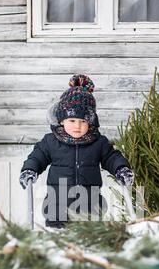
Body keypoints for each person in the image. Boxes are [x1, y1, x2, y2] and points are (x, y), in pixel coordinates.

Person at [19, 74, 134, 228]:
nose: (77, 126)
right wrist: (29, 170)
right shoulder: (50, 141)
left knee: (89, 243)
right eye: (72, 120)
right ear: (61, 120)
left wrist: (121, 168)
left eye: (83, 121)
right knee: (58, 244)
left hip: (90, 206)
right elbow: (37, 157)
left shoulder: (98, 142)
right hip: (57, 208)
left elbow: (112, 157)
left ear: (91, 122)